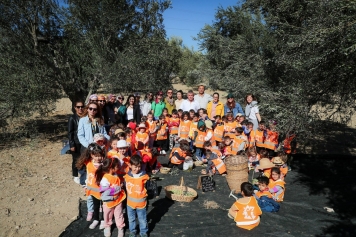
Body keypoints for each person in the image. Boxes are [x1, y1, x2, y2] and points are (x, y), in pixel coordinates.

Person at [76, 143, 104, 228]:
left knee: (103, 206)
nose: (98, 158)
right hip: (93, 190)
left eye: (100, 156)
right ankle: (96, 219)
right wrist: (90, 148)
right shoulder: (88, 163)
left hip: (102, 189)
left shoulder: (104, 164)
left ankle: (103, 220)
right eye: (96, 156)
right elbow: (84, 157)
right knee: (96, 205)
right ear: (92, 155)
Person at [95, 158, 126, 237]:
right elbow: (105, 193)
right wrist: (118, 188)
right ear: (111, 168)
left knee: (119, 215)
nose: (118, 167)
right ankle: (107, 227)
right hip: (109, 202)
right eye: (117, 166)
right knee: (108, 216)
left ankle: (120, 228)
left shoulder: (114, 175)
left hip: (118, 200)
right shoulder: (105, 179)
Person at [124, 155, 150, 237]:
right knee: (131, 219)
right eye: (135, 167)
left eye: (139, 167)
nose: (137, 169)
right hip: (130, 204)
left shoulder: (144, 177)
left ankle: (143, 232)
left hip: (141, 204)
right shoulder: (127, 177)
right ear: (130, 166)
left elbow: (147, 187)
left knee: (142, 219)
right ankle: (132, 231)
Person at [67, 99, 85, 184]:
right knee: (75, 159)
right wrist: (72, 144)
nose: (80, 108)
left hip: (83, 141)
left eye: (82, 107)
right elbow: (70, 132)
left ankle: (83, 173)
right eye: (78, 107)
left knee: (83, 158)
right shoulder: (72, 118)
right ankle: (75, 175)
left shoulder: (85, 116)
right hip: (76, 142)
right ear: (75, 107)